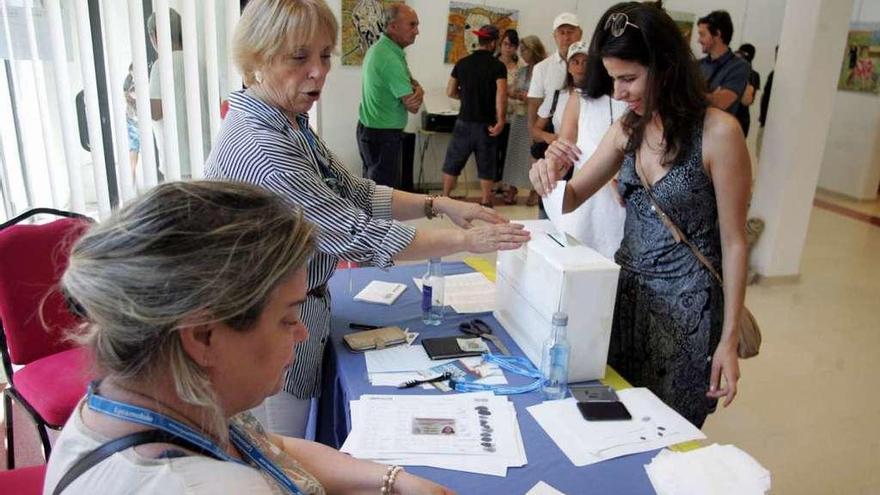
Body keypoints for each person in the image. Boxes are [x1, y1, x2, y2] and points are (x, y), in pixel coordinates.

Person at [206, 0, 529, 438]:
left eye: (325, 55)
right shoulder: (265, 146)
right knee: (280, 456)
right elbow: (358, 235)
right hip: (259, 334)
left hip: (291, 316)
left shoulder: (288, 121)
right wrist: (466, 241)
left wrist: (439, 205)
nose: (318, 71)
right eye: (299, 57)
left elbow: (354, 191)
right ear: (257, 59)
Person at [44, 181, 453, 495]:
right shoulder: (210, 487)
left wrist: (392, 480)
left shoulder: (141, 394)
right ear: (204, 336)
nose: (302, 331)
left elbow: (264, 444)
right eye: (287, 317)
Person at [531, 2, 750, 427]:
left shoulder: (719, 132)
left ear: (666, 67)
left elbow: (735, 241)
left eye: (629, 78)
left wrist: (727, 341)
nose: (618, 93)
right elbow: (571, 197)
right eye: (613, 79)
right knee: (612, 423)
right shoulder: (628, 128)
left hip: (689, 317)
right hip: (625, 306)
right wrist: (550, 169)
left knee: (667, 432)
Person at [539, 40, 628, 259]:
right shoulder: (580, 98)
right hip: (587, 191)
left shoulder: (632, 99)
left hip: (624, 193)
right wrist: (553, 162)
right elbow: (565, 145)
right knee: (583, 256)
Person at [357, 4, 424, 188]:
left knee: (372, 190)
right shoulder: (389, 58)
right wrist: (420, 91)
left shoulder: (385, 49)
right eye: (412, 25)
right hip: (382, 136)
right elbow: (413, 105)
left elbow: (411, 81)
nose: (417, 31)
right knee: (382, 195)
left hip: (372, 130)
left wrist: (418, 88)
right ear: (393, 27)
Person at [441, 25, 508, 207]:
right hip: (486, 124)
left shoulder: (462, 63)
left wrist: (465, 96)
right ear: (493, 42)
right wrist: (501, 120)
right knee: (486, 164)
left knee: (453, 160)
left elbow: (450, 91)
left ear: (479, 41)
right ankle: (486, 200)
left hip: (463, 121)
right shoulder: (498, 66)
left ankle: (445, 197)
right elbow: (501, 94)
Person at [527, 13, 583, 211]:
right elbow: (535, 123)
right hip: (560, 153)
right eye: (562, 32)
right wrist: (549, 138)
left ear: (580, 33)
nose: (566, 37)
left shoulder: (599, 83)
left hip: (586, 154)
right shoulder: (545, 73)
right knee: (551, 204)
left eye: (571, 32)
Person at [148, 8, 209, 179]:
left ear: (155, 36)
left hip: (179, 162)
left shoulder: (161, 66)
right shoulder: (199, 63)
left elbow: (155, 112)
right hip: (206, 155)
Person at [501, 35, 547, 207]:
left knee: (532, 155)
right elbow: (511, 90)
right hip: (519, 116)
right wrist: (517, 94)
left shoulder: (544, 70)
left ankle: (534, 191)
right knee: (514, 154)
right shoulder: (522, 70)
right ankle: (512, 188)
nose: (522, 54)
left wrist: (530, 98)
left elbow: (545, 95)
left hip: (535, 119)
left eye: (524, 50)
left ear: (533, 50)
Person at [696, 10, 750, 119]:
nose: (698, 40)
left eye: (702, 35)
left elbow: (721, 103)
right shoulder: (697, 65)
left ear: (717, 34)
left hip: (717, 132)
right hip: (693, 129)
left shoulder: (739, 67)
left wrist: (692, 93)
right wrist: (710, 96)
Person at [492, 29, 522, 205]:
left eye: (512, 45)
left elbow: (519, 91)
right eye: (505, 44)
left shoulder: (520, 68)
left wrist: (510, 92)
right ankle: (496, 183)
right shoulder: (493, 63)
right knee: (493, 151)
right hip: (494, 115)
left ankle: (507, 184)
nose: (508, 48)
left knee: (508, 152)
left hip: (513, 115)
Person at [734, 43, 760, 138]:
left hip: (739, 119)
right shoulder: (754, 75)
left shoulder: (752, 75)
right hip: (739, 118)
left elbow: (748, 101)